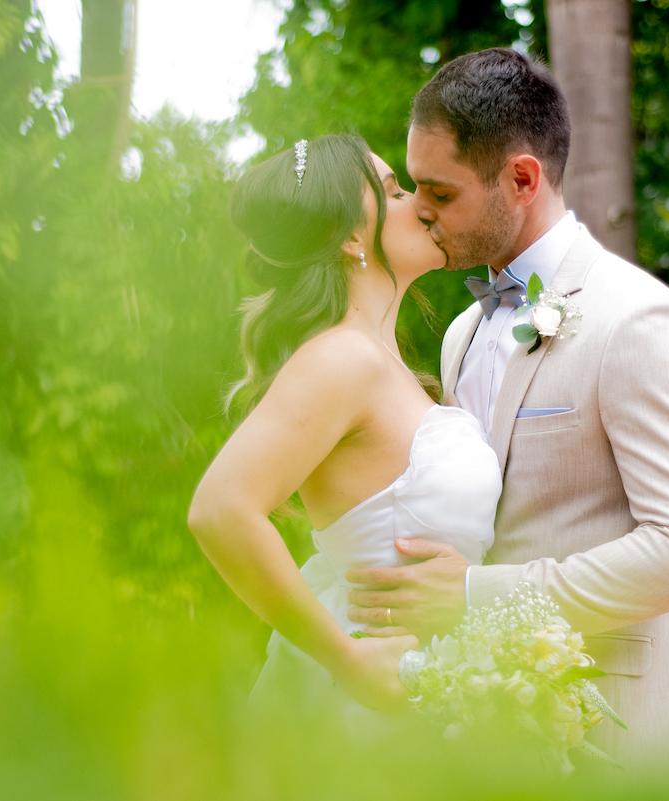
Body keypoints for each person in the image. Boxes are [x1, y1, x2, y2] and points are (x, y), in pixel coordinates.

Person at [343, 47, 669, 791]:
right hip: (481, 744)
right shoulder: (462, 333)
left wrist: (474, 596)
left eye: (440, 190)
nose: (420, 209)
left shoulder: (641, 322)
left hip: (608, 744)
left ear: (522, 179)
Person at [186, 134, 501, 716]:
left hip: (442, 686)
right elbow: (220, 509)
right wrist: (346, 660)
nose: (420, 203)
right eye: (393, 190)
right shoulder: (342, 359)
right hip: (371, 702)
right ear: (352, 236)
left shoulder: (386, 365)